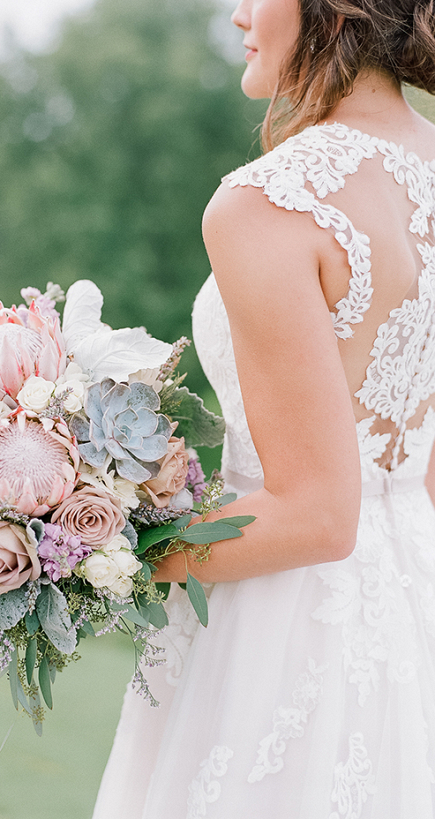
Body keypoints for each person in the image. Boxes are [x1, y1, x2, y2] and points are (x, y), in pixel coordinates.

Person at [93, 0, 435, 816]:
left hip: (283, 631)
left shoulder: (269, 202)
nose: (238, 12)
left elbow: (318, 515)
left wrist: (94, 550)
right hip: (414, 607)